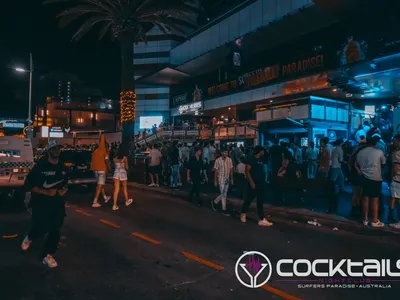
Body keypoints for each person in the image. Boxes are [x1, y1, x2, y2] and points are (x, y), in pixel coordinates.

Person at [21, 140, 68, 268]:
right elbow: (29, 185)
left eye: (59, 148)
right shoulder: (40, 167)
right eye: (54, 148)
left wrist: (63, 190)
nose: (57, 151)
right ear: (49, 151)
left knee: (55, 229)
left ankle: (47, 255)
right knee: (41, 227)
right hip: (40, 203)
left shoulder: (62, 167)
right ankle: (30, 236)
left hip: (56, 204)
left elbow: (65, 184)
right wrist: (46, 192)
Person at [355, 136, 385, 227]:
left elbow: (356, 164)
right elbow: (383, 163)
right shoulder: (379, 152)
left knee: (365, 198)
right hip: (375, 177)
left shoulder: (360, 152)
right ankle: (374, 220)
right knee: (375, 200)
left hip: (364, 177)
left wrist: (360, 171)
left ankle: (365, 219)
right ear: (375, 144)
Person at [240, 145, 273, 227]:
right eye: (262, 151)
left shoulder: (261, 159)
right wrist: (251, 182)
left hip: (261, 183)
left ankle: (262, 218)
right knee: (249, 199)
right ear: (259, 151)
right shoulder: (251, 159)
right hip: (253, 182)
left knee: (260, 201)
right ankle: (243, 213)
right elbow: (247, 171)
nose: (263, 152)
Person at [90, 134, 111, 208]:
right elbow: (107, 161)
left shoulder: (95, 151)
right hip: (102, 170)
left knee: (100, 185)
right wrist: (109, 168)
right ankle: (95, 201)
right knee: (99, 186)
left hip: (95, 170)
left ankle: (105, 197)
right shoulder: (104, 151)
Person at [211, 148, 233, 216]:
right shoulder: (218, 160)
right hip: (220, 178)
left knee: (224, 194)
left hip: (226, 178)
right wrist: (215, 180)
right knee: (223, 194)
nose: (226, 154)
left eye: (227, 152)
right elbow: (215, 171)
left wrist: (231, 178)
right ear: (222, 152)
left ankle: (214, 202)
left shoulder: (229, 160)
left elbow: (231, 169)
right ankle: (224, 209)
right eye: (225, 152)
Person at [112, 147, 133, 211]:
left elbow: (114, 166)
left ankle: (114, 205)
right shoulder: (125, 158)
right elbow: (126, 167)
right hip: (123, 173)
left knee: (116, 190)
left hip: (116, 173)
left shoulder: (115, 158)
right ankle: (127, 201)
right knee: (125, 188)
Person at [389, 134, 400, 228]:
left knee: (397, 199)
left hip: (397, 179)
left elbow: (395, 168)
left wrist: (391, 177)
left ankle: (398, 221)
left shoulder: (397, 153)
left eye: (395, 141)